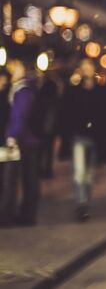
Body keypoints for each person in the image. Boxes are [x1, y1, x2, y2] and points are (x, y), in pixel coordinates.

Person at [0, 59, 40, 226]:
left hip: (23, 141)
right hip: (27, 139)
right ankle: (27, 214)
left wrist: (11, 136)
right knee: (28, 179)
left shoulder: (22, 90)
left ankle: (19, 215)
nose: (12, 72)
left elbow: (19, 116)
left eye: (15, 68)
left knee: (19, 179)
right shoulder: (21, 89)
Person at [65, 59, 105, 221]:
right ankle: (81, 204)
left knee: (89, 173)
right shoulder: (74, 90)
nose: (86, 70)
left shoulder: (100, 90)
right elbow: (67, 111)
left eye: (89, 66)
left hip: (94, 137)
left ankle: (85, 201)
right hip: (79, 136)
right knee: (80, 171)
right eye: (84, 67)